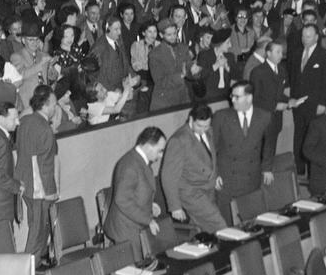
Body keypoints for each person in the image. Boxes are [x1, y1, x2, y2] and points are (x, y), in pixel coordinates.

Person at [213, 81, 275, 221]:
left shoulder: (264, 116)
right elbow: (211, 149)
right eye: (232, 96)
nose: (232, 100)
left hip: (251, 178)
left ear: (249, 98)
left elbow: (269, 144)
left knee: (251, 222)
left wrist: (267, 168)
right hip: (226, 180)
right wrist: (214, 174)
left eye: (237, 97)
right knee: (226, 225)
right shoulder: (221, 117)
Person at [161, 105, 228, 233]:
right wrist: (175, 207)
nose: (203, 130)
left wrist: (215, 175)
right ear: (191, 120)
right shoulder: (179, 140)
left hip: (208, 190)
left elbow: (210, 158)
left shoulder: (209, 132)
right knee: (219, 224)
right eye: (199, 126)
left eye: (206, 126)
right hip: (191, 193)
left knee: (201, 228)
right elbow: (168, 176)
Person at [16, 85, 60, 269]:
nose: (56, 108)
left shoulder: (25, 121)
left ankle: (38, 261)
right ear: (46, 105)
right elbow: (44, 164)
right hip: (38, 186)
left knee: (37, 224)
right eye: (54, 105)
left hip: (23, 181)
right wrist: (51, 191)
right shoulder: (44, 129)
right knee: (37, 229)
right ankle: (27, 268)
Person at [104, 127, 166, 252]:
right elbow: (122, 200)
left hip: (134, 224)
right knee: (136, 269)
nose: (161, 155)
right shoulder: (130, 165)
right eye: (160, 151)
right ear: (148, 146)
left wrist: (150, 204)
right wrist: (148, 220)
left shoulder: (140, 160)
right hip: (125, 229)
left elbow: (137, 190)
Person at [288, 24, 326, 174]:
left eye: (308, 36)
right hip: (298, 104)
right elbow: (294, 78)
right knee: (299, 137)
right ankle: (300, 170)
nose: (304, 39)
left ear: (316, 37)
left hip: (315, 105)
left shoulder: (325, 56)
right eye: (303, 36)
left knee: (314, 139)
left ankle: (314, 171)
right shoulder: (296, 54)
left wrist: (322, 103)